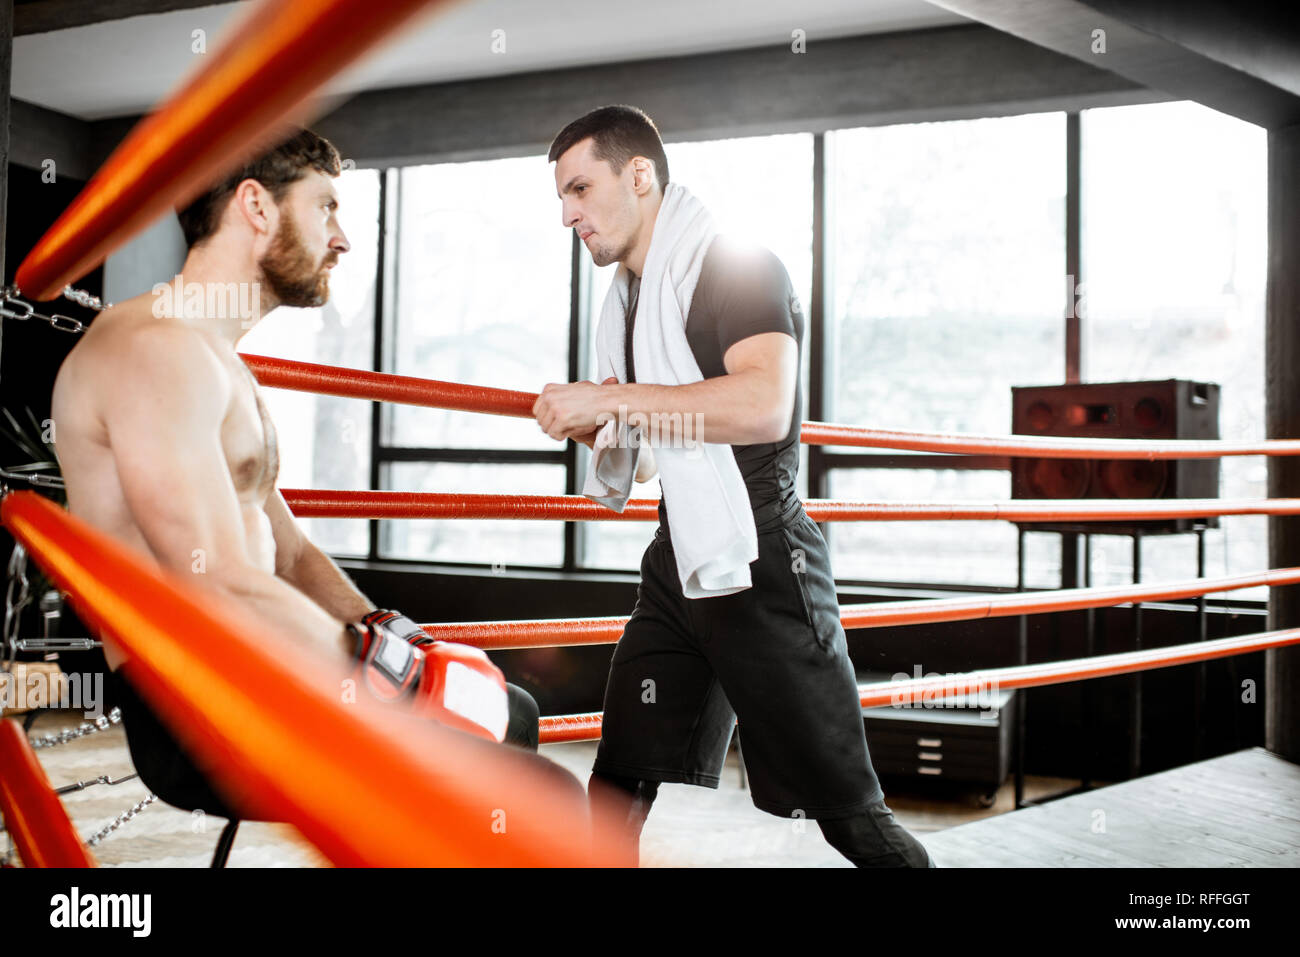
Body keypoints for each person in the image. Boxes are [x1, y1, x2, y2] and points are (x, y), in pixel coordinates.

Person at [50, 129, 560, 821]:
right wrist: (391, 678)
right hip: (197, 709)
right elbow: (214, 578)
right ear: (256, 206)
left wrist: (387, 631)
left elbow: (285, 549)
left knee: (510, 709)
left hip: (259, 671)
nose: (342, 238)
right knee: (542, 796)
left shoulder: (216, 358)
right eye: (325, 207)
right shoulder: (153, 351)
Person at [534, 105, 935, 867]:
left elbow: (760, 405)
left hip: (764, 562)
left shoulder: (741, 267)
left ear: (640, 175)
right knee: (618, 780)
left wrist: (616, 400)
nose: (567, 215)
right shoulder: (627, 301)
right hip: (681, 558)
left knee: (852, 819)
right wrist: (612, 433)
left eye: (580, 189)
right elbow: (659, 460)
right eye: (561, 198)